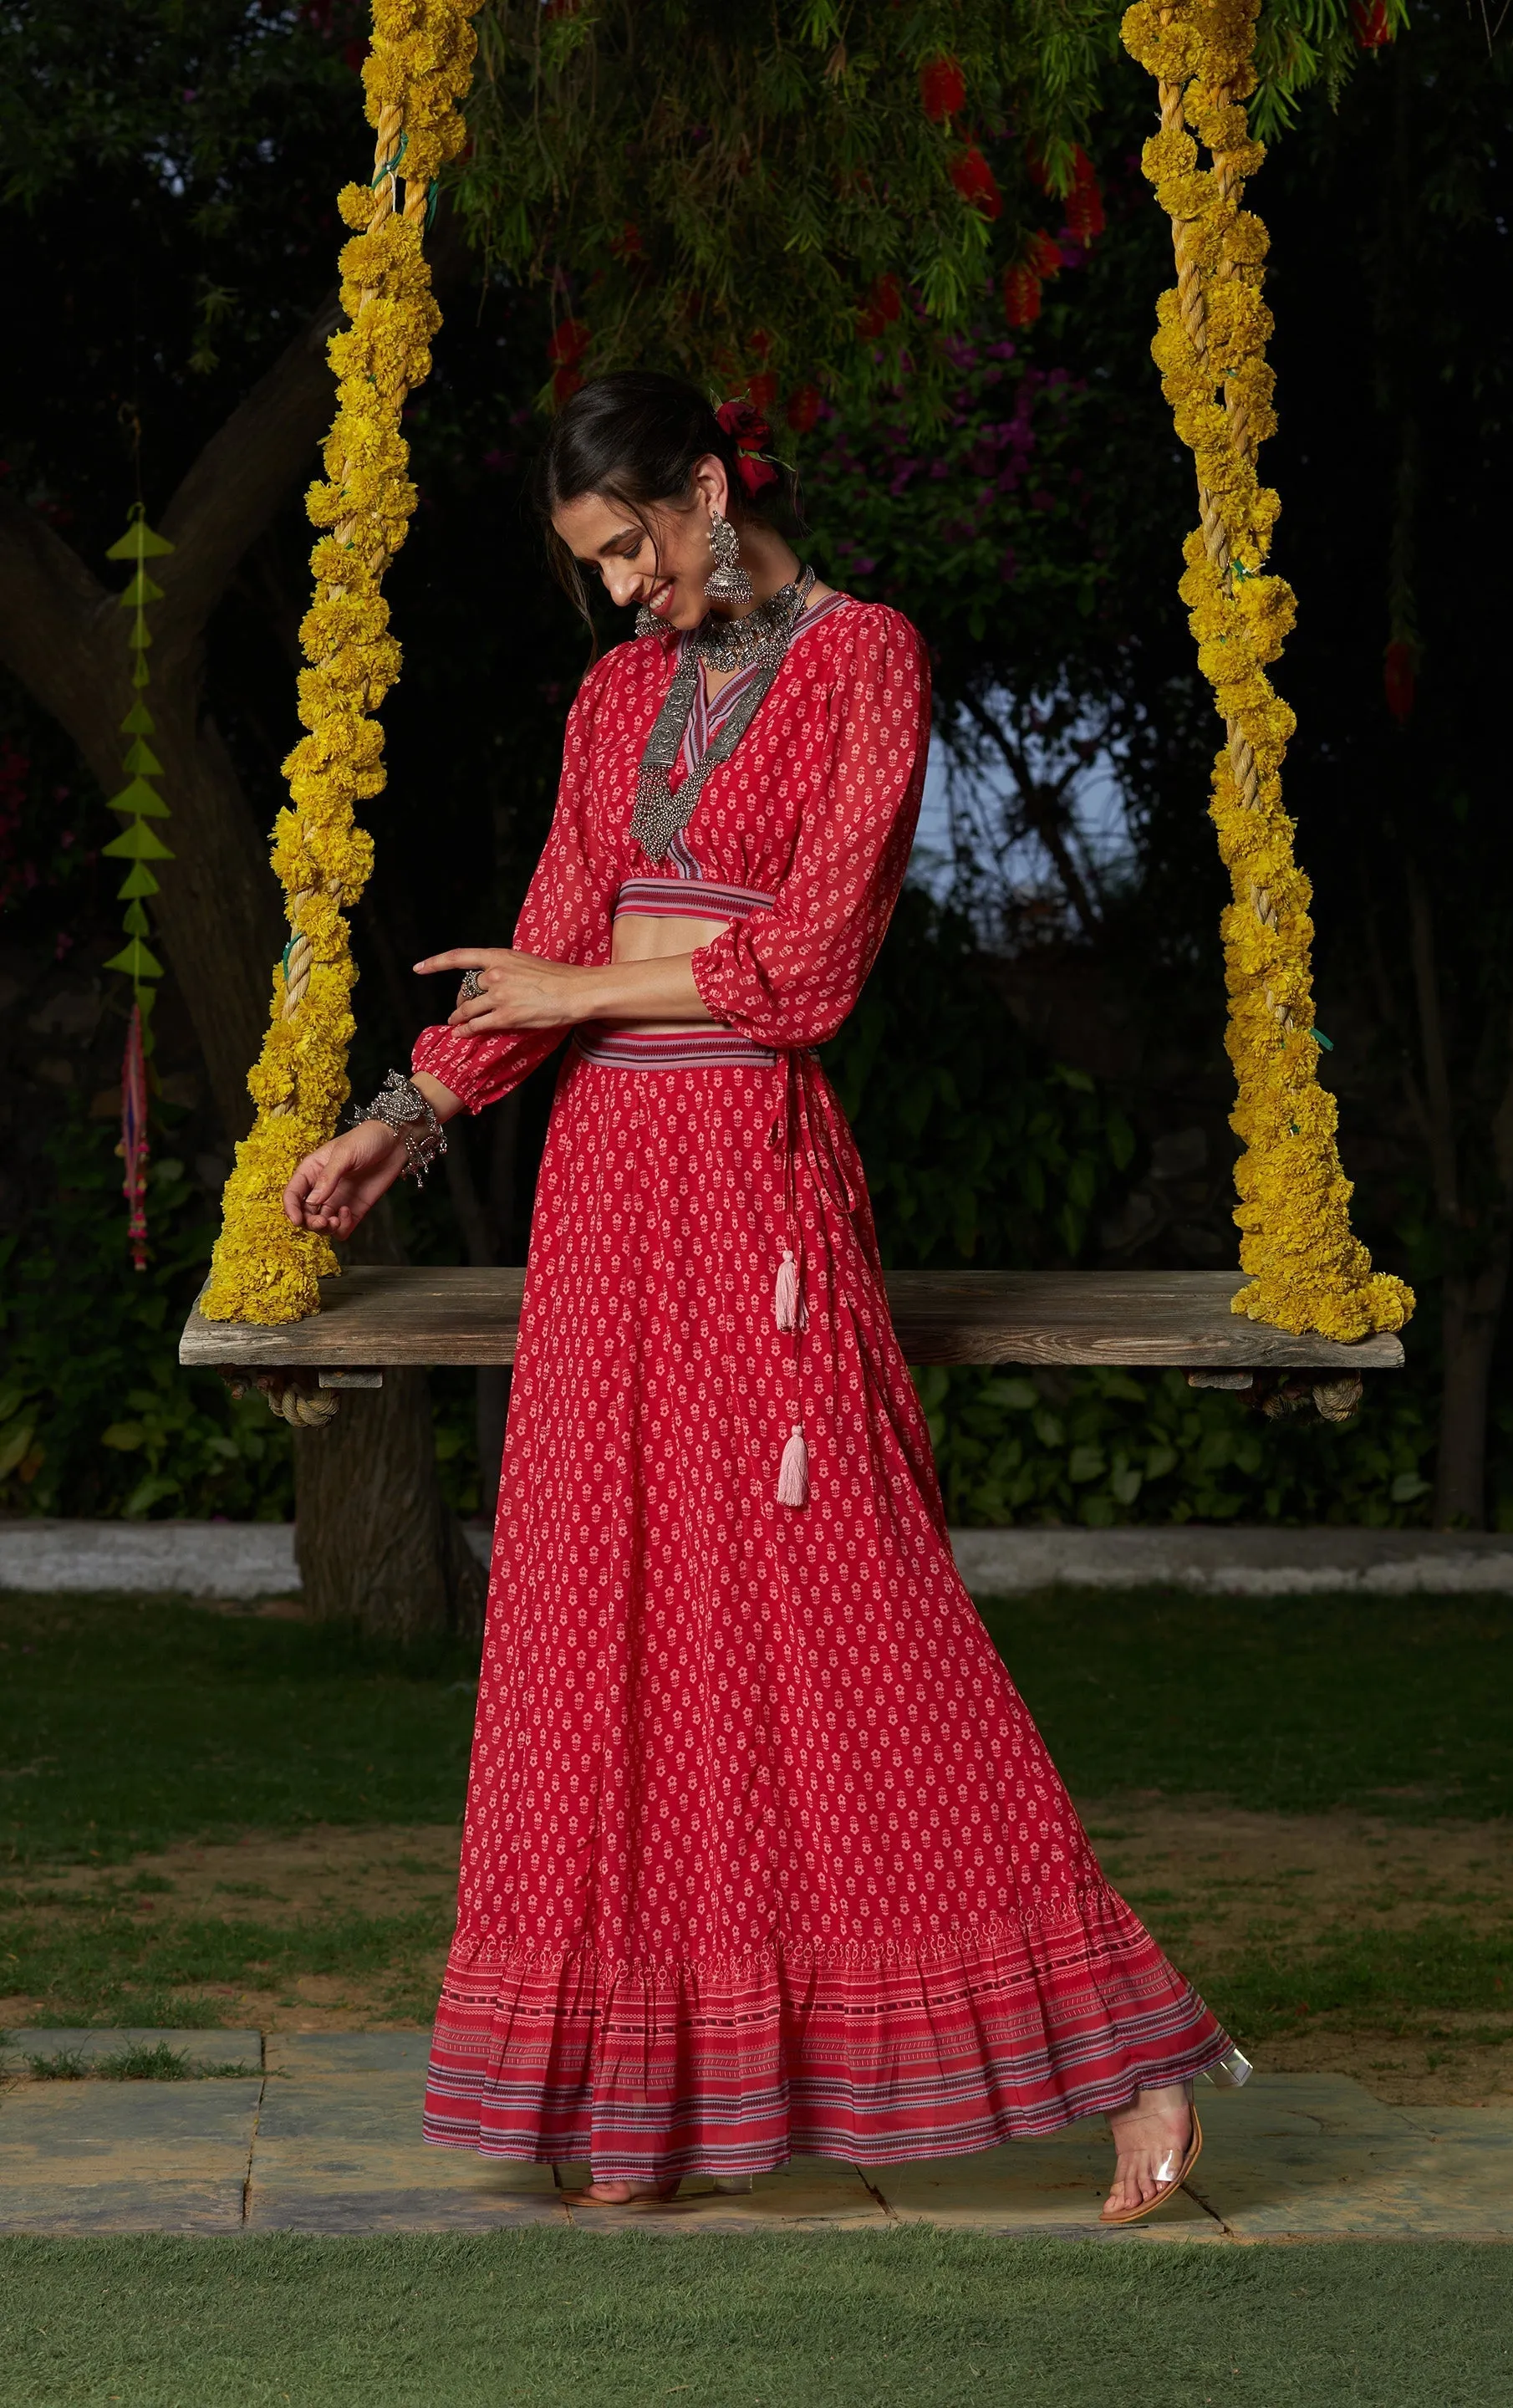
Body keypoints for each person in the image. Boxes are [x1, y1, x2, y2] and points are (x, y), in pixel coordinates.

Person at [282, 370, 1248, 2222]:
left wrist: (572, 995)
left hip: (750, 1185)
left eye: (637, 547)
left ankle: (1140, 2050)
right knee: (607, 1636)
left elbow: (805, 966)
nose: (629, 593)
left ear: (715, 492)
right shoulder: (615, 697)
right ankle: (650, 2113)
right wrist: (402, 1120)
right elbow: (564, 920)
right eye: (597, 567)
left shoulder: (868, 659)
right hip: (603, 1206)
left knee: (855, 1620)